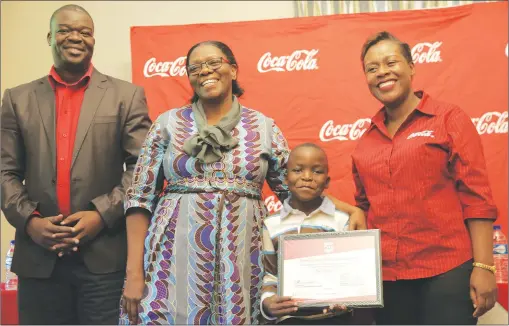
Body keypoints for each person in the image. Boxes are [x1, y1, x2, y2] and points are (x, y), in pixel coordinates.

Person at [119, 40, 366, 325]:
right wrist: (134, 274)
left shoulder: (263, 127)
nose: (205, 71)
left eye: (214, 63)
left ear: (233, 70)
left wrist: (349, 210)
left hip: (243, 259)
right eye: (195, 68)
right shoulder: (167, 124)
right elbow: (139, 199)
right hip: (172, 259)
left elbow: (297, 188)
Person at [0, 4, 151, 324]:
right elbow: (5, 170)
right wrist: (30, 222)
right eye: (66, 30)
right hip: (38, 260)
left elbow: (142, 169)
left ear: (94, 39)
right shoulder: (17, 98)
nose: (75, 37)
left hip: (104, 259)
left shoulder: (126, 95)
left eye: (84, 31)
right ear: (50, 37)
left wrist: (101, 214)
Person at [352, 31, 498, 325]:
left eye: (391, 62)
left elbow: (476, 197)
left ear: (411, 67)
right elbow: (363, 205)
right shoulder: (365, 140)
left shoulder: (448, 118)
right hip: (389, 278)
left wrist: (484, 266)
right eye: (372, 68)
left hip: (447, 269)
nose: (382, 72)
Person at [260, 143, 364, 325]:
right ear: (285, 178)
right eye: (298, 170)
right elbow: (270, 276)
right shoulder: (271, 225)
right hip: (290, 319)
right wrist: (268, 303)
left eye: (317, 171)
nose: (307, 177)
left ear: (327, 182)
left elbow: (351, 273)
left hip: (334, 318)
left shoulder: (341, 221)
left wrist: (347, 300)